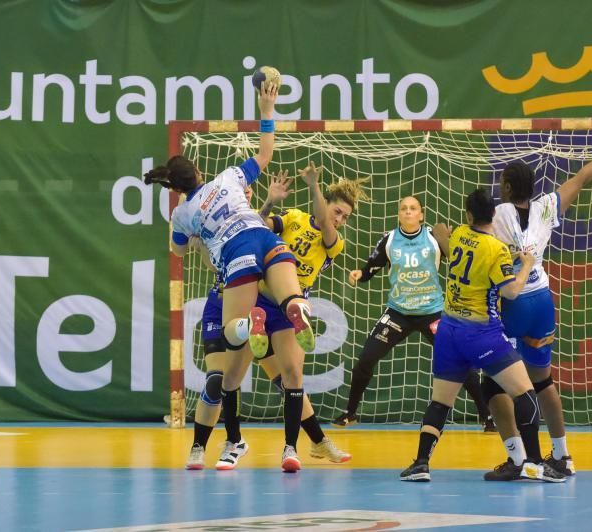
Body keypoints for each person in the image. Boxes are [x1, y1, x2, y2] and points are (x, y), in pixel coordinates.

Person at [145, 80, 314, 471]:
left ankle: (248, 327)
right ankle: (297, 306)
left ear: (173, 187)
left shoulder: (182, 214)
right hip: (264, 236)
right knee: (288, 297)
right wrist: (267, 109)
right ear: (200, 171)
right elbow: (265, 153)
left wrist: (197, 237)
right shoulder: (228, 177)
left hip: (234, 256)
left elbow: (179, 250)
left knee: (231, 330)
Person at [484, 124, 592, 478]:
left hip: (513, 300)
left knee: (493, 385)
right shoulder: (545, 208)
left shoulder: (495, 215)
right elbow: (583, 176)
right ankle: (563, 456)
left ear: (507, 187)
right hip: (541, 298)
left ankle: (519, 459)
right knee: (543, 382)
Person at [399, 188, 565, 483]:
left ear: (468, 214)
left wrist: (440, 235)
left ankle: (420, 464)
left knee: (440, 402)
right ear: (494, 215)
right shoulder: (496, 249)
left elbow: (453, 247)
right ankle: (536, 463)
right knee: (525, 393)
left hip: (448, 331)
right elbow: (511, 291)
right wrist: (526, 265)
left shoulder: (461, 233)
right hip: (481, 334)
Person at [185, 180, 351, 470]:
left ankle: (292, 448)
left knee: (291, 376)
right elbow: (255, 226)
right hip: (259, 300)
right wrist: (271, 201)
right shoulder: (294, 218)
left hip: (286, 308)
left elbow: (324, 225)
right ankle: (233, 442)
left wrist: (313, 189)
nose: (339, 219)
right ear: (326, 205)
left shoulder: (334, 241)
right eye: (337, 211)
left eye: (345, 217)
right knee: (231, 376)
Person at [331, 196, 496, 431]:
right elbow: (371, 267)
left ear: (421, 214)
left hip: (433, 311)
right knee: (366, 358)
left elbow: (458, 262)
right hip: (399, 312)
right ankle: (350, 412)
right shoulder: (389, 240)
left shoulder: (433, 238)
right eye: (403, 209)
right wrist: (361, 274)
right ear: (398, 214)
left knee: (460, 361)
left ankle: (486, 416)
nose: (408, 212)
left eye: (413, 208)